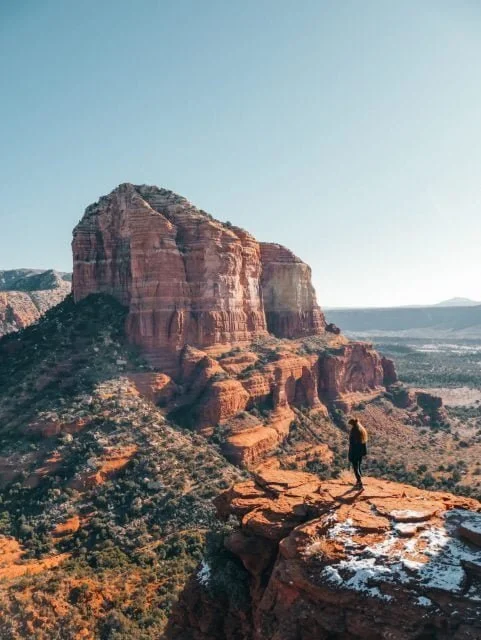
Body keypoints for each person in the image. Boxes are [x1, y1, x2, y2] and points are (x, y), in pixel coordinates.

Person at [348, 417, 368, 488]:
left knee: (355, 468)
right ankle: (358, 481)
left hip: (354, 452)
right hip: (360, 452)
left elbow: (352, 444)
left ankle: (359, 482)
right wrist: (364, 452)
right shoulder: (362, 430)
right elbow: (364, 443)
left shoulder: (354, 431)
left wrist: (350, 455)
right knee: (359, 466)